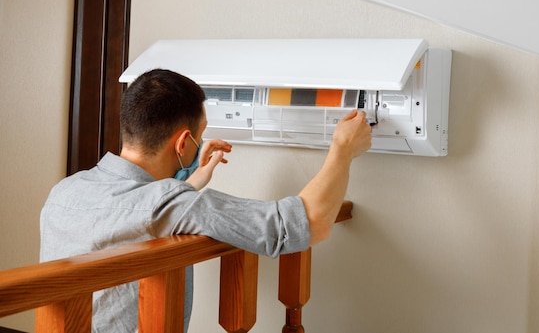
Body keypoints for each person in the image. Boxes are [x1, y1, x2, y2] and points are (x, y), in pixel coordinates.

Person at [40, 68, 372, 333]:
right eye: (199, 136)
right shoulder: (170, 203)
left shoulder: (65, 191)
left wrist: (191, 178)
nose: (200, 142)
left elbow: (135, 210)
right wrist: (343, 150)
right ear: (183, 143)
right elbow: (303, 224)